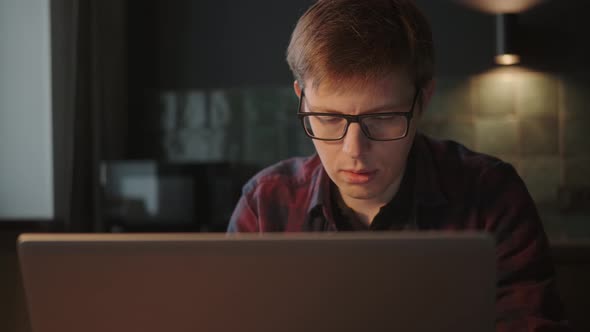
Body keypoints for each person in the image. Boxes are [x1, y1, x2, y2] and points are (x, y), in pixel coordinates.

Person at [227, 0, 569, 330]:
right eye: (328, 118)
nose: (354, 149)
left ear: (423, 101)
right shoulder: (264, 204)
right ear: (301, 96)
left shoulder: (490, 195)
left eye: (384, 118)